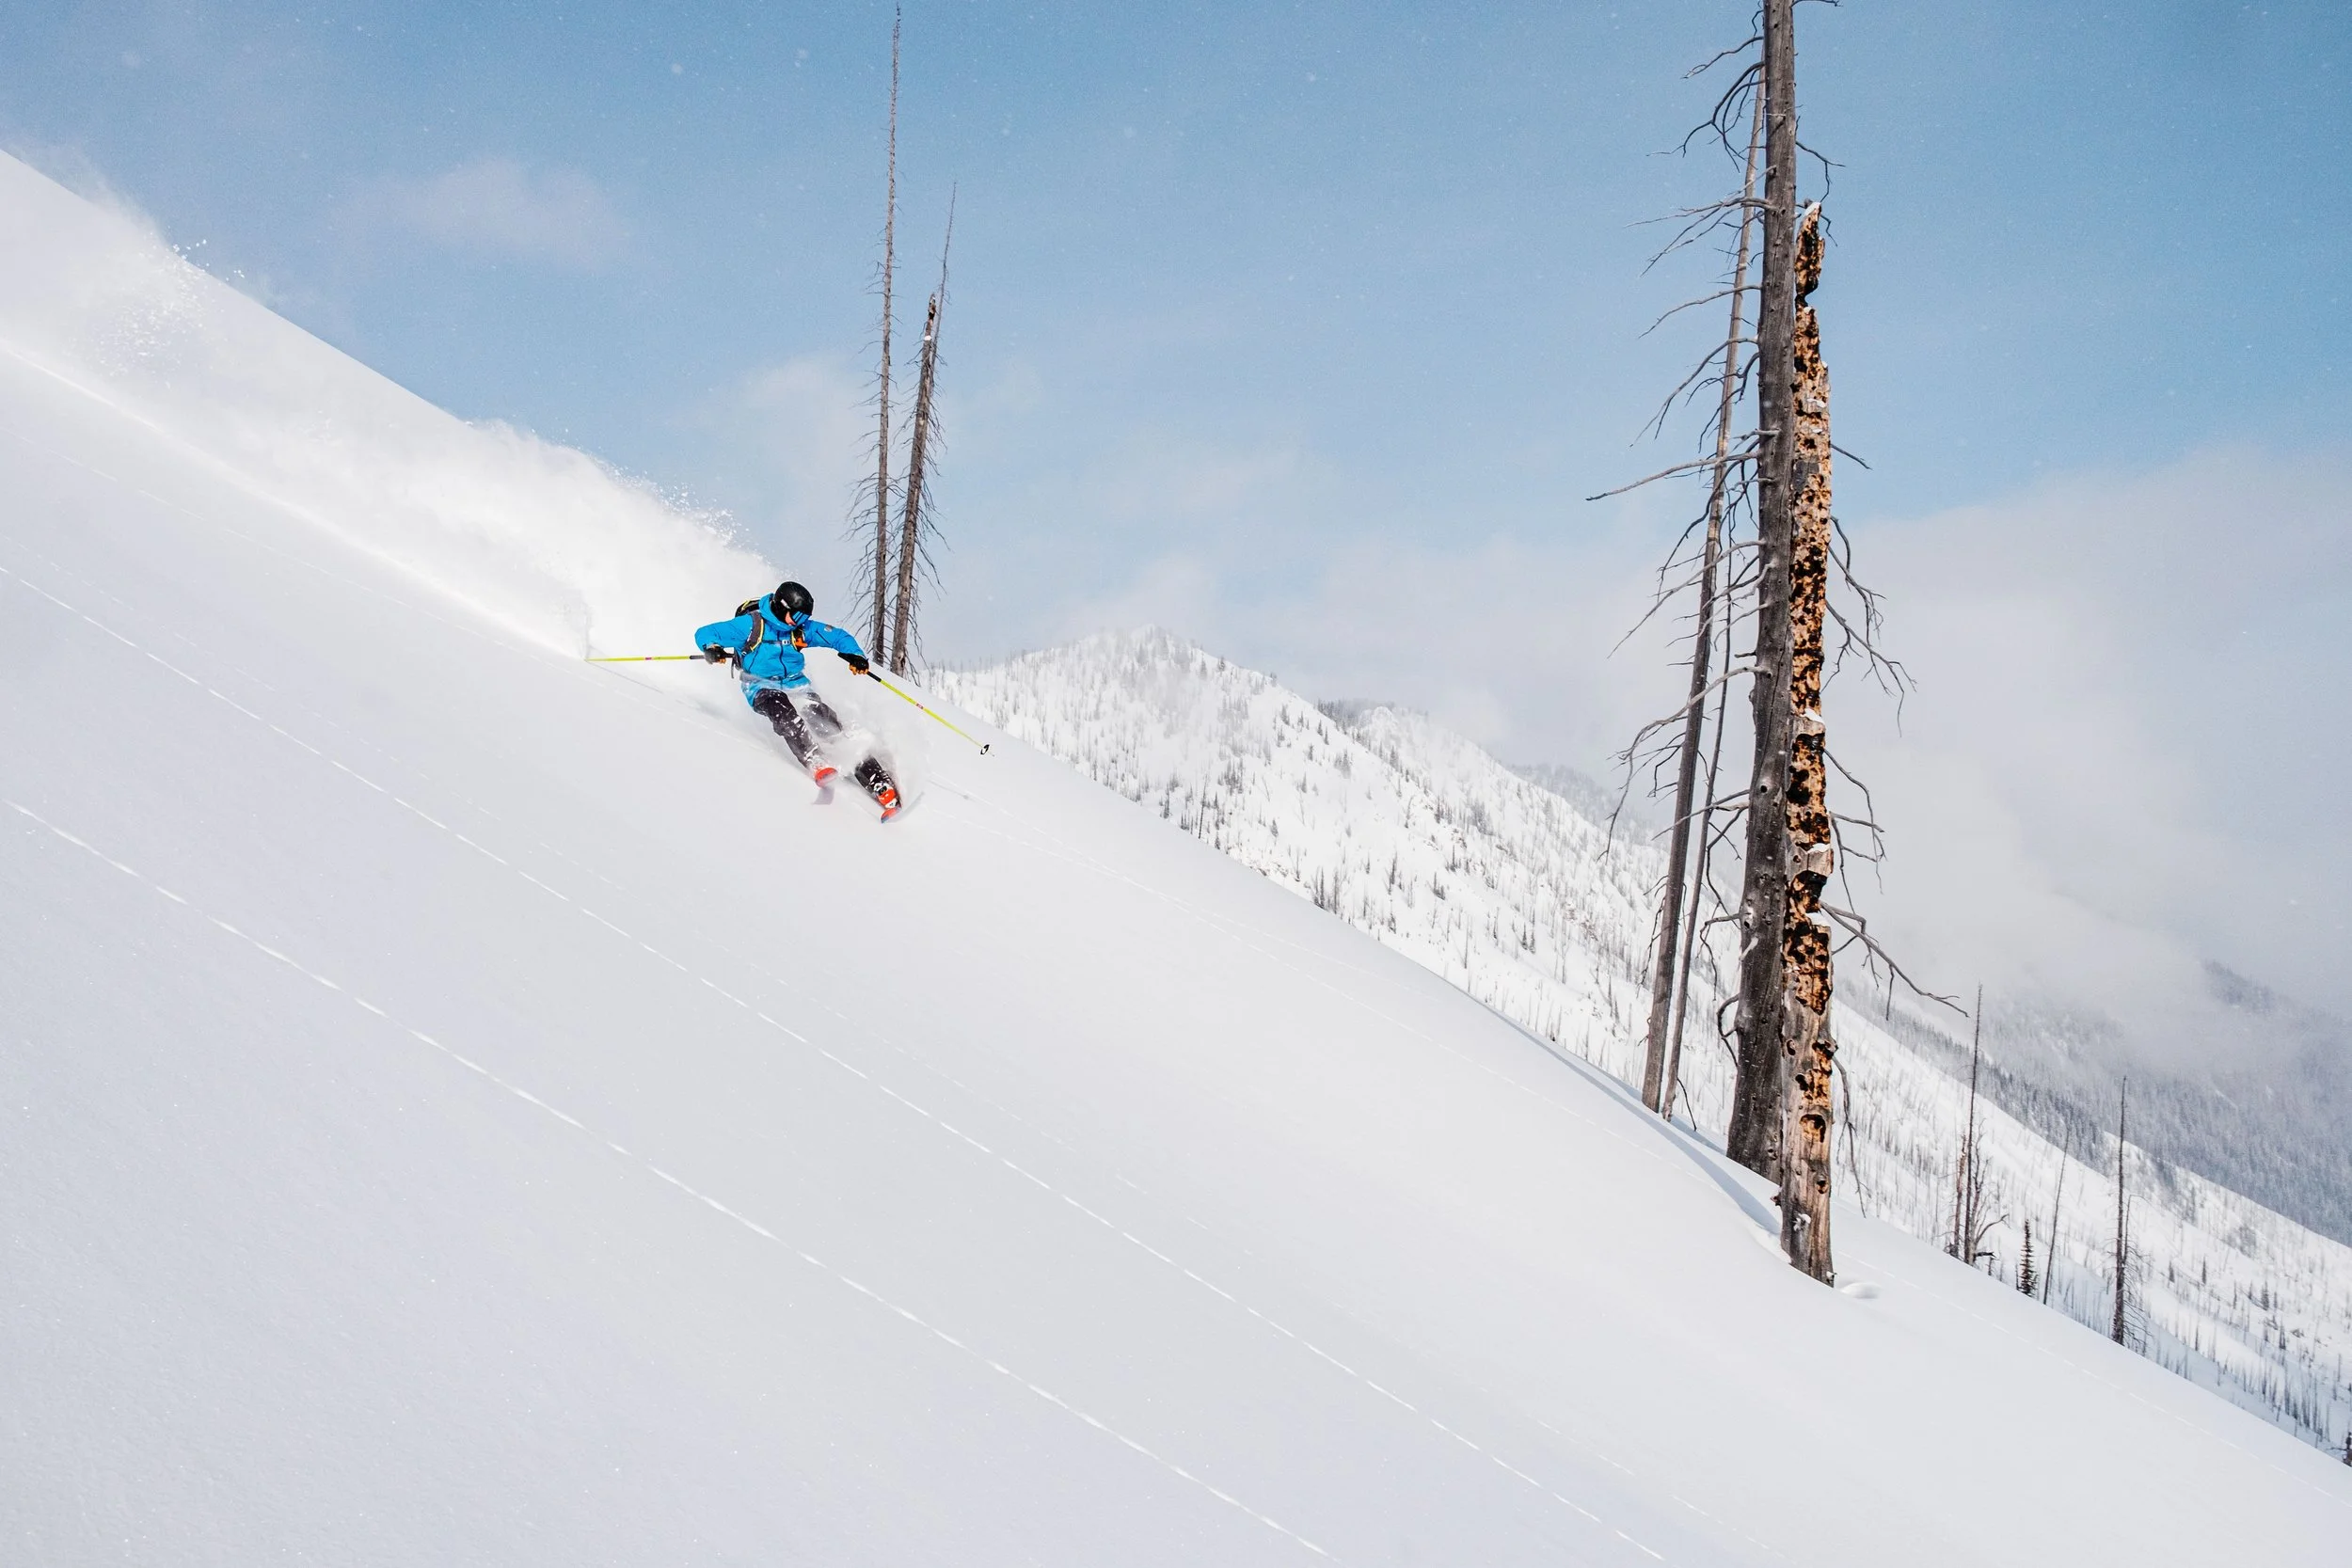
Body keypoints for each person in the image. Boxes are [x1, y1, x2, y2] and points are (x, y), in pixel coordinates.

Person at [697, 580, 901, 819]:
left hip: (796, 683)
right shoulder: (751, 625)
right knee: (783, 713)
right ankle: (815, 759)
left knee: (829, 725)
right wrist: (711, 647)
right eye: (796, 616)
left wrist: (855, 655)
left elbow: (837, 637)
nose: (801, 622)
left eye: (805, 617)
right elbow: (707, 633)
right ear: (781, 608)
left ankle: (881, 783)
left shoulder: (801, 629)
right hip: (760, 684)